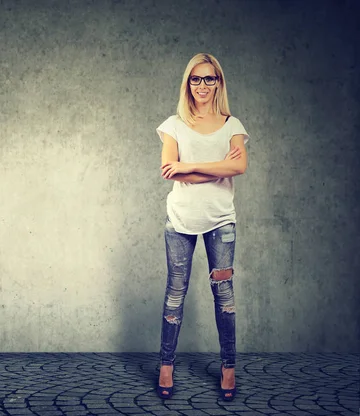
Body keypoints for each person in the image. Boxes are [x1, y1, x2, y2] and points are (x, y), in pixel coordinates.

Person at [155, 53, 250, 401]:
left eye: (209, 79)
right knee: (175, 292)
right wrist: (219, 166)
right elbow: (168, 168)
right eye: (196, 79)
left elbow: (239, 168)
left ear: (219, 82)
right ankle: (166, 365)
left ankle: (228, 368)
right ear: (188, 83)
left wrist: (188, 168)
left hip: (222, 220)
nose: (203, 86)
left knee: (224, 295)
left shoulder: (232, 125)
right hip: (180, 220)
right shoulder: (174, 124)